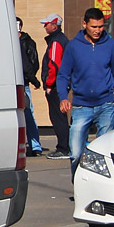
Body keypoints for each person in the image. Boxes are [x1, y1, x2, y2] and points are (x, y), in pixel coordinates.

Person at [57, 8, 114, 177]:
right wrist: (63, 98)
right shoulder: (73, 46)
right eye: (94, 27)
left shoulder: (111, 45)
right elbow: (63, 76)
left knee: (105, 154)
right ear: (84, 24)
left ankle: (99, 187)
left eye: (101, 27)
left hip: (106, 105)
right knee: (75, 153)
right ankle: (79, 185)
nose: (98, 30)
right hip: (82, 106)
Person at [39, 14, 71, 160]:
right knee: (60, 116)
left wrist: (49, 84)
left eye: (46, 24)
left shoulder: (57, 42)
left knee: (58, 117)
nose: (44, 27)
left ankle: (63, 148)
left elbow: (54, 64)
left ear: (54, 25)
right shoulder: (60, 40)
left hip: (56, 86)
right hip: (60, 84)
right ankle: (65, 146)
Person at [16, 17, 43, 155]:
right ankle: (32, 144)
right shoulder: (15, 41)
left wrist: (33, 79)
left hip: (23, 82)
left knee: (28, 114)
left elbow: (29, 64)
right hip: (20, 81)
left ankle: (35, 145)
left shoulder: (24, 42)